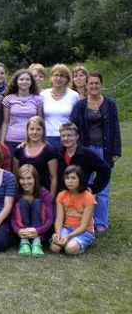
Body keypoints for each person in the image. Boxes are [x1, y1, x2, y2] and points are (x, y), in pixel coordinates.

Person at [70, 71, 121, 232]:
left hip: (103, 151)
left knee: (103, 187)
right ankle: (83, 219)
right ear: (86, 85)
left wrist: (116, 149)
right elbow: (73, 128)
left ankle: (100, 222)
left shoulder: (109, 104)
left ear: (101, 85)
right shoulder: (80, 105)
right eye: (90, 83)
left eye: (96, 83)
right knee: (83, 185)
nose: (93, 86)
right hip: (85, 150)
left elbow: (115, 128)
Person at [50, 165, 96, 255]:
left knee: (69, 249)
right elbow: (59, 219)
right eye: (67, 178)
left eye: (73, 178)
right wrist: (58, 234)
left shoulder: (88, 198)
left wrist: (69, 237)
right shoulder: (61, 195)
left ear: (80, 179)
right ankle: (69, 243)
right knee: (54, 248)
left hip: (84, 231)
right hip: (66, 228)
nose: (69, 181)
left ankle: (82, 244)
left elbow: (84, 225)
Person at [57, 122, 110, 198]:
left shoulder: (86, 154)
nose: (66, 138)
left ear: (77, 136)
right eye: (63, 136)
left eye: (69, 135)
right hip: (62, 196)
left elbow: (105, 170)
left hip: (80, 196)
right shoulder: (58, 153)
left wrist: (92, 189)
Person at [11, 164, 54, 257]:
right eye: (22, 178)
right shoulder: (16, 193)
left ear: (35, 179)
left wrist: (38, 231)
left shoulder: (44, 193)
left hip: (39, 231)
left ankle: (36, 242)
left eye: (29, 178)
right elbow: (12, 217)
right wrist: (18, 231)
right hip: (22, 231)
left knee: (37, 202)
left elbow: (50, 218)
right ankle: (24, 242)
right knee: (22, 202)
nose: (25, 182)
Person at [13, 116, 59, 198]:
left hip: (43, 195)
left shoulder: (49, 151)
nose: (35, 132)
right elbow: (16, 176)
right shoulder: (19, 150)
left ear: (43, 131)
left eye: (38, 129)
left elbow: (54, 178)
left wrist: (50, 198)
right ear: (27, 131)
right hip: (24, 196)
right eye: (32, 129)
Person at [1, 69, 43, 157]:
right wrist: (2, 142)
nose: (24, 82)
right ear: (16, 82)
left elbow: (40, 122)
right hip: (11, 140)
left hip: (31, 140)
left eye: (27, 79)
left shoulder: (37, 99)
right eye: (21, 79)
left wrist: (41, 140)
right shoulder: (8, 99)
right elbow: (5, 122)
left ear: (31, 82)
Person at [41, 64, 79, 148]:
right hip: (47, 137)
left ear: (67, 79)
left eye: (62, 76)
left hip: (67, 137)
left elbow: (77, 119)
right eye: (56, 75)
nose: (58, 78)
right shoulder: (43, 95)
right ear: (51, 77)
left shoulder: (74, 95)